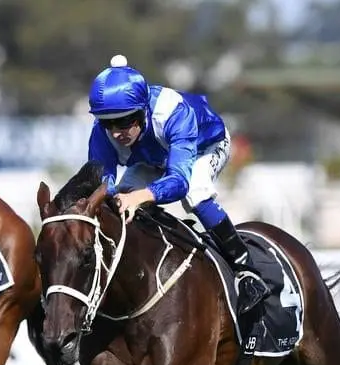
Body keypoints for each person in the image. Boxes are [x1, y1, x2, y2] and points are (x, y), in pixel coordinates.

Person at [87, 55, 268, 314]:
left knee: (195, 194)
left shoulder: (171, 112)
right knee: (120, 200)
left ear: (142, 110)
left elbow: (179, 181)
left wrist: (140, 197)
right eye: (108, 123)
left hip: (205, 146)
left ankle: (247, 271)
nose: (116, 132)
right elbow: (102, 184)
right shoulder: (101, 133)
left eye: (125, 120)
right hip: (155, 158)